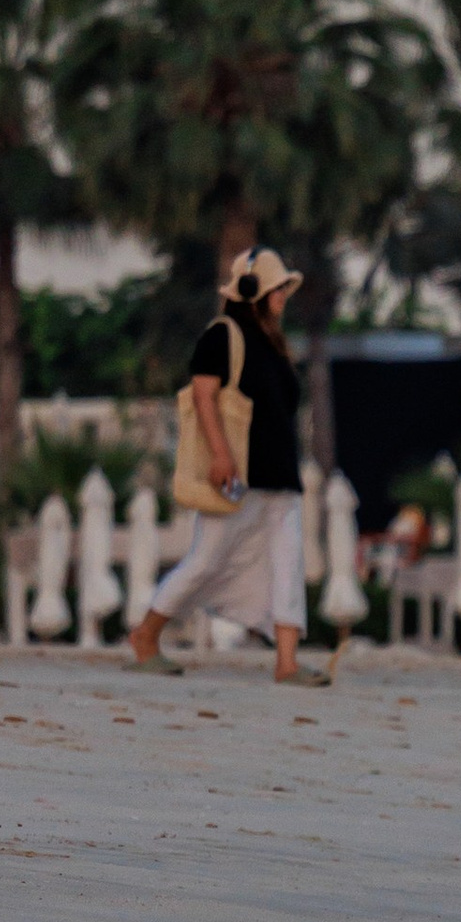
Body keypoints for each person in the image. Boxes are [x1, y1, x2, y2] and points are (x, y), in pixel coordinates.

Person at [126, 249, 312, 684]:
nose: (284, 293)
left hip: (280, 475)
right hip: (241, 476)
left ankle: (287, 662)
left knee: (288, 563)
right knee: (206, 560)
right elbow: (203, 397)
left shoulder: (272, 341)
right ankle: (147, 634)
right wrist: (222, 455)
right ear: (254, 291)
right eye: (278, 286)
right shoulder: (222, 336)